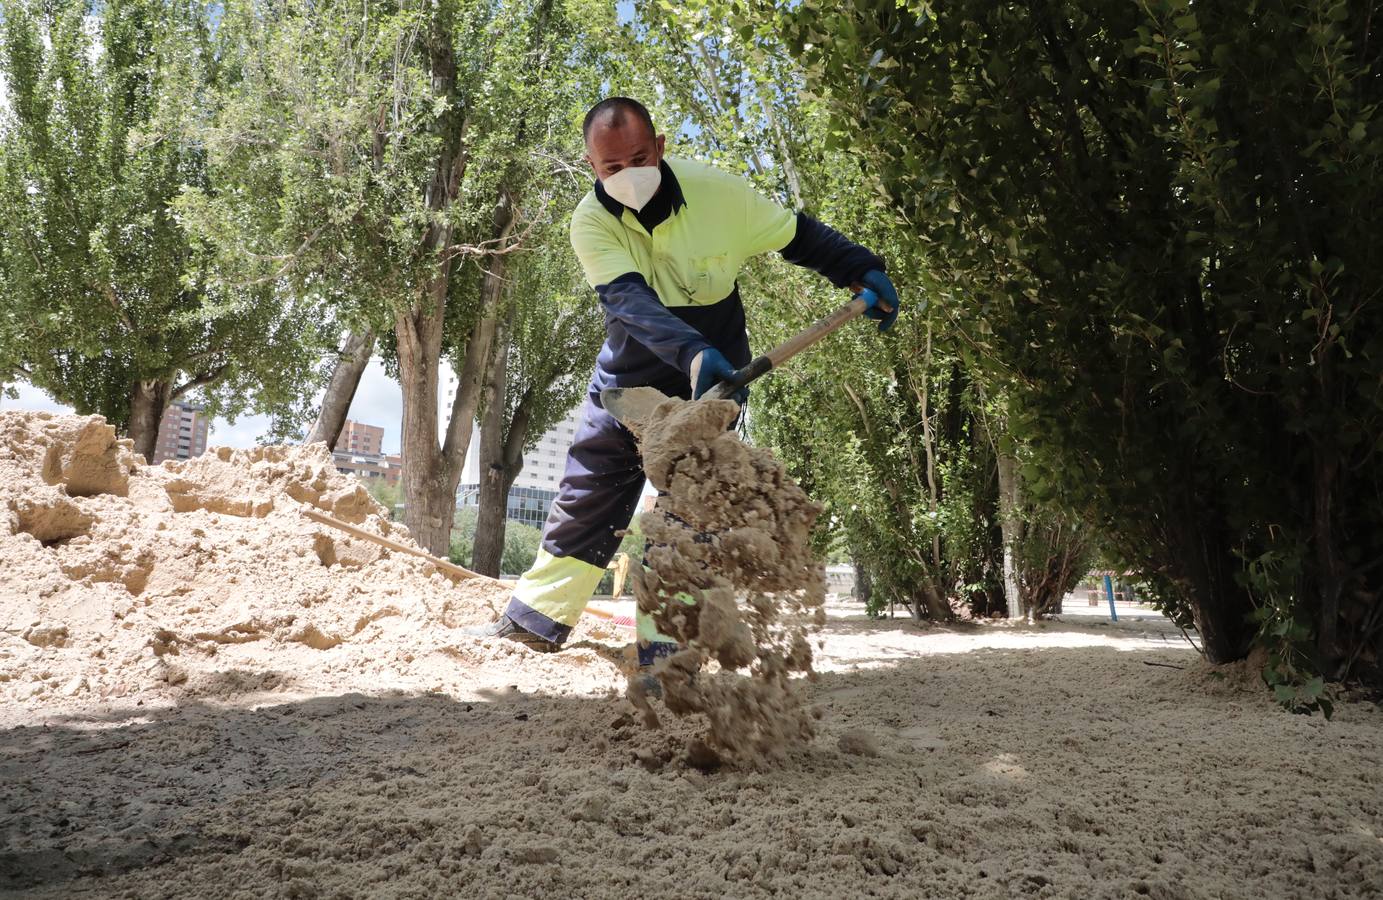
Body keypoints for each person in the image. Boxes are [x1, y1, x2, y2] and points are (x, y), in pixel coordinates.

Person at [471, 97, 899, 665]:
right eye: (611, 168)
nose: (628, 175)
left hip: (714, 375)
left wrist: (861, 268)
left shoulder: (719, 194)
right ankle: (536, 621)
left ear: (661, 147)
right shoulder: (590, 222)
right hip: (632, 371)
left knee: (692, 501)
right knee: (591, 489)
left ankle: (666, 640)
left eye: (639, 158)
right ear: (591, 167)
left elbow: (799, 236)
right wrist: (693, 353)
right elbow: (629, 303)